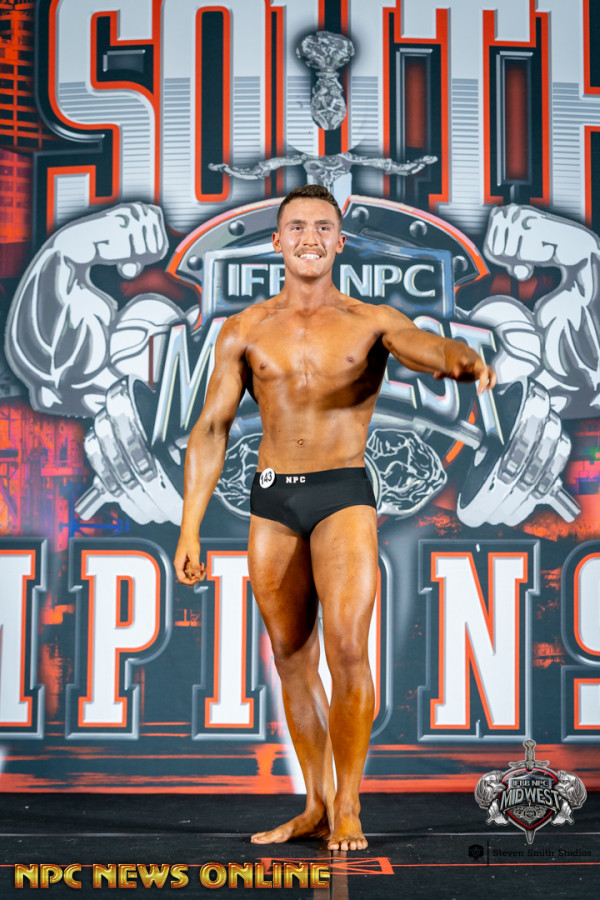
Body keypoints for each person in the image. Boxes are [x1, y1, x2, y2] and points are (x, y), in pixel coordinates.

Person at [174, 184, 496, 851]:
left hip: (342, 493)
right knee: (292, 658)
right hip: (272, 500)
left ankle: (348, 804)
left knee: (348, 648)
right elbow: (211, 428)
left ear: (340, 242)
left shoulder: (369, 320)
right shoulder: (244, 328)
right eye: (297, 227)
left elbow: (420, 345)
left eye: (323, 227)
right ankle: (315, 803)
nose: (310, 238)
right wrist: (189, 527)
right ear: (277, 241)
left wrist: (457, 360)